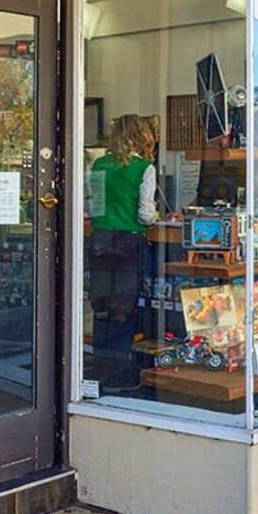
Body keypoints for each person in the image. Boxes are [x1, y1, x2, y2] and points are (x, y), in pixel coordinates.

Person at [87, 114, 157, 393]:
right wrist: (157, 216)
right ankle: (118, 373)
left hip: (100, 240)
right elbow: (145, 214)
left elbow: (95, 204)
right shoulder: (144, 168)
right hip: (128, 241)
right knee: (123, 309)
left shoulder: (100, 164)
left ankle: (99, 369)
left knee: (102, 305)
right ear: (142, 137)